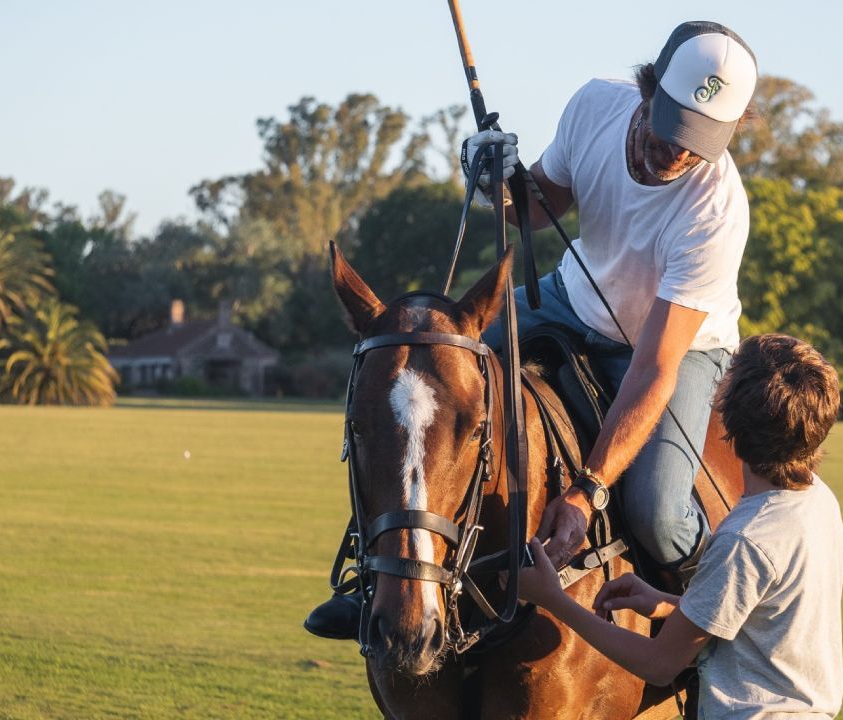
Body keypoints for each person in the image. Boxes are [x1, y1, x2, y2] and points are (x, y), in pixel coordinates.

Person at [305, 20, 759, 640]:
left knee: (656, 512)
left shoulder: (717, 208)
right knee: (424, 385)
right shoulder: (597, 104)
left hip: (674, 350)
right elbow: (538, 208)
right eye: (670, 125)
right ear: (647, 89)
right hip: (568, 301)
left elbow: (654, 368)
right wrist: (495, 178)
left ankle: (718, 620)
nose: (676, 151)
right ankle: (375, 581)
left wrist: (588, 492)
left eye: (696, 141)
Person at [518, 333, 843, 719]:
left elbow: (660, 664)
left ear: (728, 419)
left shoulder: (745, 538)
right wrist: (674, 605)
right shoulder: (818, 501)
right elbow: (759, 616)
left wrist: (553, 599)